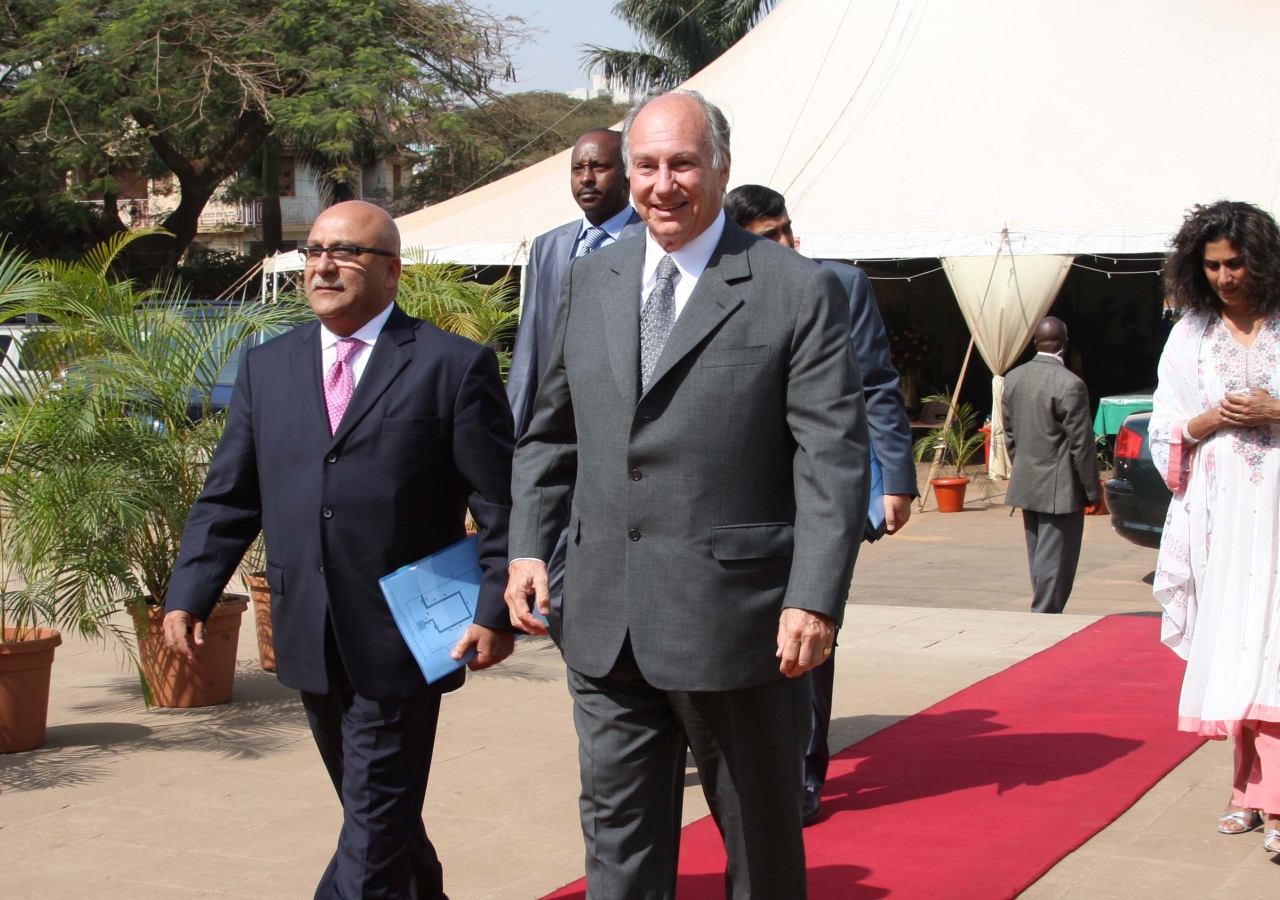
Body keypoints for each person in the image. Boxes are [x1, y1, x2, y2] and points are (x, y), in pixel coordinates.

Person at [504, 89, 870, 899]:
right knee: (617, 844)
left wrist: (814, 598)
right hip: (601, 621)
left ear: (721, 169)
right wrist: (529, 544)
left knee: (760, 846)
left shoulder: (793, 287)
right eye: (645, 164)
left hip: (737, 624)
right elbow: (551, 432)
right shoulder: (590, 279)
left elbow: (832, 459)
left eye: (682, 163)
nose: (661, 184)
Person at [163, 201, 518, 899]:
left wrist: (495, 608)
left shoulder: (452, 366)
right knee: (375, 808)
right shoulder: (269, 368)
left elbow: (502, 505)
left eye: (347, 252)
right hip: (308, 627)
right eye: (316, 251)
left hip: (410, 631)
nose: (324, 264)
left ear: (391, 272)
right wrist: (189, 592)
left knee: (373, 820)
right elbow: (230, 496)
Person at [724, 183, 915, 824]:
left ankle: (805, 771)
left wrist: (895, 478)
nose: (785, 246)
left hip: (821, 492)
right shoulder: (713, 290)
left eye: (786, 231)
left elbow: (876, 382)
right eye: (765, 237)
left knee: (809, 622)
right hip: (739, 496)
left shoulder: (838, 284)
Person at [1150, 200, 1280, 854]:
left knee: (1276, 646)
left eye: (1238, 263)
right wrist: (1214, 419)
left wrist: (1275, 408)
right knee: (1238, 643)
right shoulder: (1192, 335)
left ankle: (1268, 798)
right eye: (1214, 266)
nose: (1227, 276)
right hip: (1223, 513)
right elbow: (1164, 425)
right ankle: (1248, 790)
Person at [505, 128, 645, 635]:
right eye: (578, 168)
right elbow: (531, 346)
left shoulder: (649, 241)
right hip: (555, 425)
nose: (586, 178)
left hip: (613, 428)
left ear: (627, 173)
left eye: (600, 167)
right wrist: (514, 430)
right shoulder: (550, 246)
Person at [1002, 317, 1100, 614]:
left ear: (1035, 343)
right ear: (1065, 344)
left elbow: (1009, 433)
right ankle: (1043, 616)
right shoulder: (1071, 384)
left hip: (1027, 478)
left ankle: (1043, 609)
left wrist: (1021, 466)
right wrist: (1093, 490)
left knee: (1039, 555)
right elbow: (1082, 444)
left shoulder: (1014, 378)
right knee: (1055, 558)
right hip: (1061, 486)